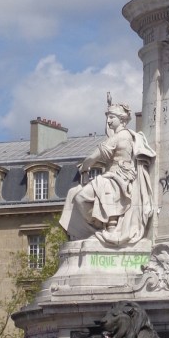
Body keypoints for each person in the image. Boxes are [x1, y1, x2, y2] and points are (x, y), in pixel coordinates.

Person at [59, 100, 155, 247]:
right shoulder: (123, 135)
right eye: (107, 117)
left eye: (111, 117)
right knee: (75, 194)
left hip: (117, 177)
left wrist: (84, 166)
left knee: (80, 197)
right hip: (115, 176)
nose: (108, 121)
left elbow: (95, 156)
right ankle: (101, 226)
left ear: (122, 119)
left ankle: (96, 228)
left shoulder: (120, 136)